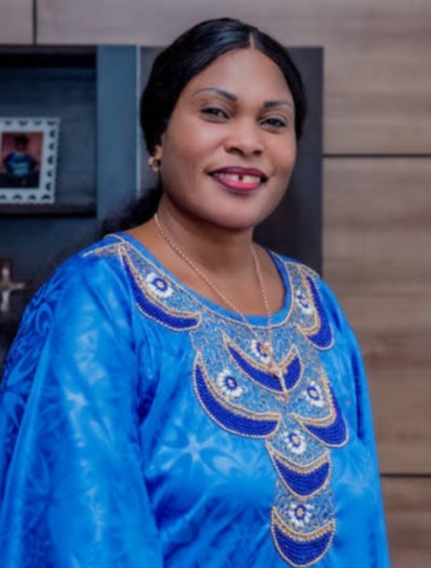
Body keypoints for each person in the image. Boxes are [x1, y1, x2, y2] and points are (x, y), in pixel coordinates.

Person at [0, 18, 391, 568]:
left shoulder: (315, 306)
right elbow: (81, 540)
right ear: (158, 137)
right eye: (216, 112)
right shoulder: (100, 301)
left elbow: (365, 537)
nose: (248, 141)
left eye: (273, 122)